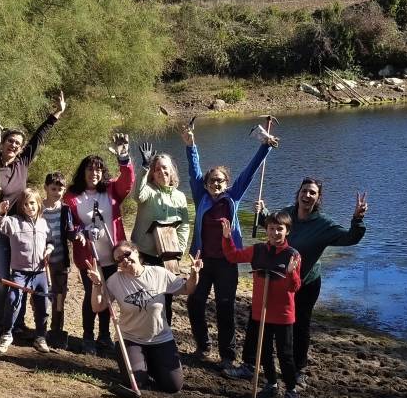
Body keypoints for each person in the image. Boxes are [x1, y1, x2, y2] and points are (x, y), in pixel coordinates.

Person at [184, 122, 277, 374]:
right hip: (202, 262)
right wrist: (191, 144)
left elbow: (249, 172)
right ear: (206, 185)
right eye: (212, 181)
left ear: (227, 183)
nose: (216, 184)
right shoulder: (200, 196)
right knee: (195, 302)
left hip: (226, 262)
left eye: (220, 181)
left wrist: (264, 148)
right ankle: (202, 346)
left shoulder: (232, 197)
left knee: (225, 307)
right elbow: (194, 171)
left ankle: (227, 355)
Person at [257, 180, 368, 387]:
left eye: (312, 193)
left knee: (300, 326)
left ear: (318, 198)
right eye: (304, 191)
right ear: (298, 192)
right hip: (281, 281)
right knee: (273, 325)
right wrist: (263, 213)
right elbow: (274, 229)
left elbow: (350, 238)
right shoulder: (287, 213)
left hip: (307, 283)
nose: (307, 195)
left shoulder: (323, 224)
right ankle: (264, 368)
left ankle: (299, 369)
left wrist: (357, 218)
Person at [0, 91, 65, 338]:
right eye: (10, 141)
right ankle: (0, 324)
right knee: (2, 278)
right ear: (3, 142)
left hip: (20, 228)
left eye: (18, 143)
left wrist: (56, 114)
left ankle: (16, 322)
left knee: (22, 277)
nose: (14, 145)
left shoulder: (22, 163)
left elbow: (39, 137)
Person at [85, 241, 202, 394]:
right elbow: (97, 307)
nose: (124, 260)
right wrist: (96, 285)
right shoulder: (115, 280)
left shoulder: (158, 273)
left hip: (161, 338)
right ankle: (141, 364)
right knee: (137, 383)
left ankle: (152, 363)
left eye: (127, 254)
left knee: (173, 386)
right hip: (131, 339)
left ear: (136, 252)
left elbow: (188, 288)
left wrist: (194, 273)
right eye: (119, 260)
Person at [221, 212, 302, 398]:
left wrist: (291, 274)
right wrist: (227, 238)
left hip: (283, 314)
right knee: (263, 351)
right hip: (261, 311)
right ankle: (271, 384)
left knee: (285, 354)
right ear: (266, 230)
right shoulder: (257, 250)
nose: (275, 233)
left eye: (280, 229)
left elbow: (294, 287)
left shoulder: (293, 255)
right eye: (272, 229)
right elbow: (233, 256)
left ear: (287, 231)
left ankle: (291, 390)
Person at [65, 134, 135, 354]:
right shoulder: (72, 197)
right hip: (89, 258)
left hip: (113, 255)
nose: (93, 174)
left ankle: (104, 335)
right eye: (89, 169)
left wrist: (124, 157)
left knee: (108, 295)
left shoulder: (112, 190)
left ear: (102, 173)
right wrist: (80, 231)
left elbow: (127, 182)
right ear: (83, 172)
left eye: (98, 170)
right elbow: (69, 225)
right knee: (92, 295)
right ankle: (88, 336)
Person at [132, 142, 191, 324]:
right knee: (145, 297)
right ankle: (140, 337)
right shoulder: (148, 191)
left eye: (164, 168)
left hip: (168, 256)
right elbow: (137, 195)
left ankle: (165, 336)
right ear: (152, 172)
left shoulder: (180, 196)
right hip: (145, 253)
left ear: (172, 170)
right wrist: (144, 167)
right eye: (156, 168)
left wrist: (179, 250)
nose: (161, 172)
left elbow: (184, 225)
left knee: (165, 298)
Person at [0, 189, 50, 355]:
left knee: (42, 305)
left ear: (38, 203)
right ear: (21, 206)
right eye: (25, 204)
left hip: (40, 273)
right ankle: (7, 334)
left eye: (32, 203)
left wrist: (49, 250)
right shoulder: (14, 222)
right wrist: (1, 212)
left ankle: (40, 336)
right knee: (13, 299)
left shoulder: (43, 223)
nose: (29, 206)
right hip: (19, 272)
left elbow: (50, 240)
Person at [41, 172, 75, 350]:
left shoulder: (65, 209)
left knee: (59, 296)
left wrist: (79, 235)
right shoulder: (38, 208)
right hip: (41, 260)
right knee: (41, 295)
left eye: (60, 189)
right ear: (46, 188)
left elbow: (70, 231)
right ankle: (42, 328)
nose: (56, 192)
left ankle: (57, 328)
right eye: (53, 188)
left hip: (60, 260)